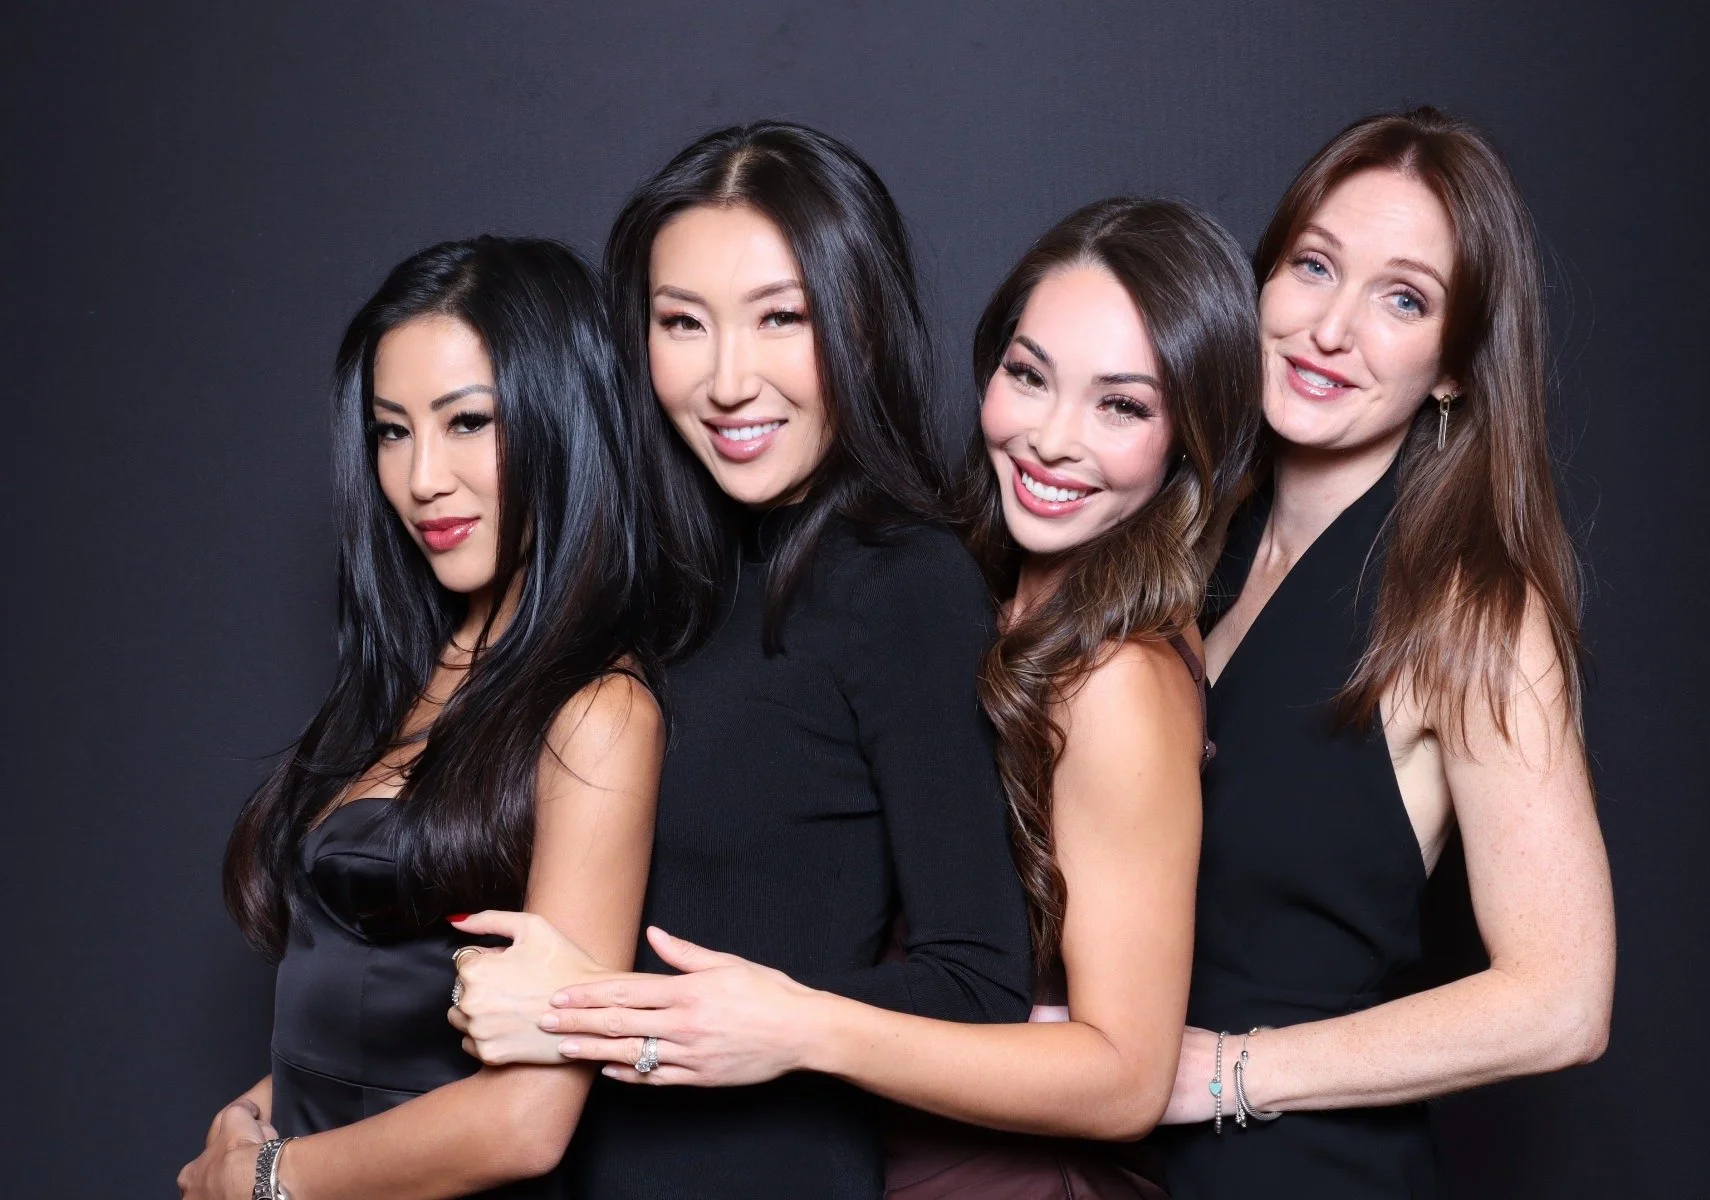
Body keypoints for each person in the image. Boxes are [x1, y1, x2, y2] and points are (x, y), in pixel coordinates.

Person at [458, 196, 1262, 1199]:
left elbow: (1124, 1079)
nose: (1054, 439)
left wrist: (752, 1020)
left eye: (1123, 406)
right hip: (878, 1148)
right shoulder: (968, 587)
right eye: (1028, 376)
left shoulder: (1119, 677)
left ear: (1193, 440)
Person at [451, 122, 1033, 1199]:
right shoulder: (648, 579)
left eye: (782, 318)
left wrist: (615, 1014)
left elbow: (982, 981)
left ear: (861, 322)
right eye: (683, 323)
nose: (727, 380)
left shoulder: (902, 582)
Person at [1154, 107, 1616, 1198]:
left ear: (1453, 367)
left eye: (1401, 298)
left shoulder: (1468, 606)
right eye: (1314, 266)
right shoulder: (1187, 548)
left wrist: (1231, 1071)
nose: (1330, 327)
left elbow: (1562, 999)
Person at [177, 236, 666, 1200]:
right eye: (392, 431)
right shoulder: (416, 667)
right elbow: (374, 1006)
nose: (421, 478)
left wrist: (270, 1181)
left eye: (467, 422)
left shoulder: (598, 712)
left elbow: (529, 1120)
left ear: (559, 423)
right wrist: (237, 1137)